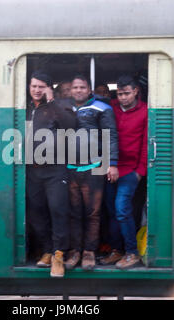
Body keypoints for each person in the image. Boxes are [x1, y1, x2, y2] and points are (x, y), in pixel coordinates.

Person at [64, 75, 119, 270]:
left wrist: (112, 163)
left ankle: (89, 252)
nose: (78, 90)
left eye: (82, 87)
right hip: (70, 168)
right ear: (71, 90)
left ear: (89, 90)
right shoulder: (65, 108)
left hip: (94, 168)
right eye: (75, 87)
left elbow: (110, 136)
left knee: (92, 213)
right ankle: (74, 252)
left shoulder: (102, 108)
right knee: (73, 213)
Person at [26, 71, 76, 277]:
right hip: (32, 170)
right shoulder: (25, 108)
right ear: (29, 87)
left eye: (41, 87)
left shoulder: (59, 106)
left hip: (55, 169)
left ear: (48, 88)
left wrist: (52, 101)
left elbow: (71, 126)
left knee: (58, 210)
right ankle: (47, 250)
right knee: (36, 212)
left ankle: (58, 254)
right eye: (34, 86)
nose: (37, 90)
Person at [100, 75, 148, 269]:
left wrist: (140, 171)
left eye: (127, 93)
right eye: (119, 94)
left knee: (121, 209)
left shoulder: (145, 111)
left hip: (130, 171)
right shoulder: (110, 107)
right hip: (110, 168)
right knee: (112, 211)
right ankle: (116, 250)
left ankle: (132, 252)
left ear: (136, 91)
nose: (123, 98)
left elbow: (146, 143)